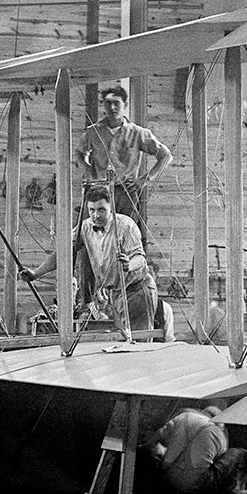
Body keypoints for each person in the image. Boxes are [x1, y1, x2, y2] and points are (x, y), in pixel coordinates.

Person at [77, 84, 171, 234]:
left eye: (117, 103)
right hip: (98, 193)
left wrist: (144, 179)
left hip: (125, 194)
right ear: (103, 105)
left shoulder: (139, 133)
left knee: (125, 235)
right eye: (108, 103)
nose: (112, 108)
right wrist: (88, 170)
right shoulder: (93, 132)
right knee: (90, 235)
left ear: (125, 105)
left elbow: (165, 156)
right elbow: (80, 153)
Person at [141, 403, 247, 494]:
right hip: (196, 488)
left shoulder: (185, 417)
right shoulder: (219, 433)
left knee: (143, 452)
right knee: (241, 454)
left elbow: (152, 441)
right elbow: (220, 465)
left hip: (165, 483)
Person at [73, 183, 157, 335]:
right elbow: (65, 251)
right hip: (115, 294)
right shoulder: (85, 227)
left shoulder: (125, 226)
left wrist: (128, 265)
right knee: (123, 342)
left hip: (137, 291)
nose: (96, 215)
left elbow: (140, 259)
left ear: (111, 207)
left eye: (101, 210)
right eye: (91, 210)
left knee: (139, 345)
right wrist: (36, 273)